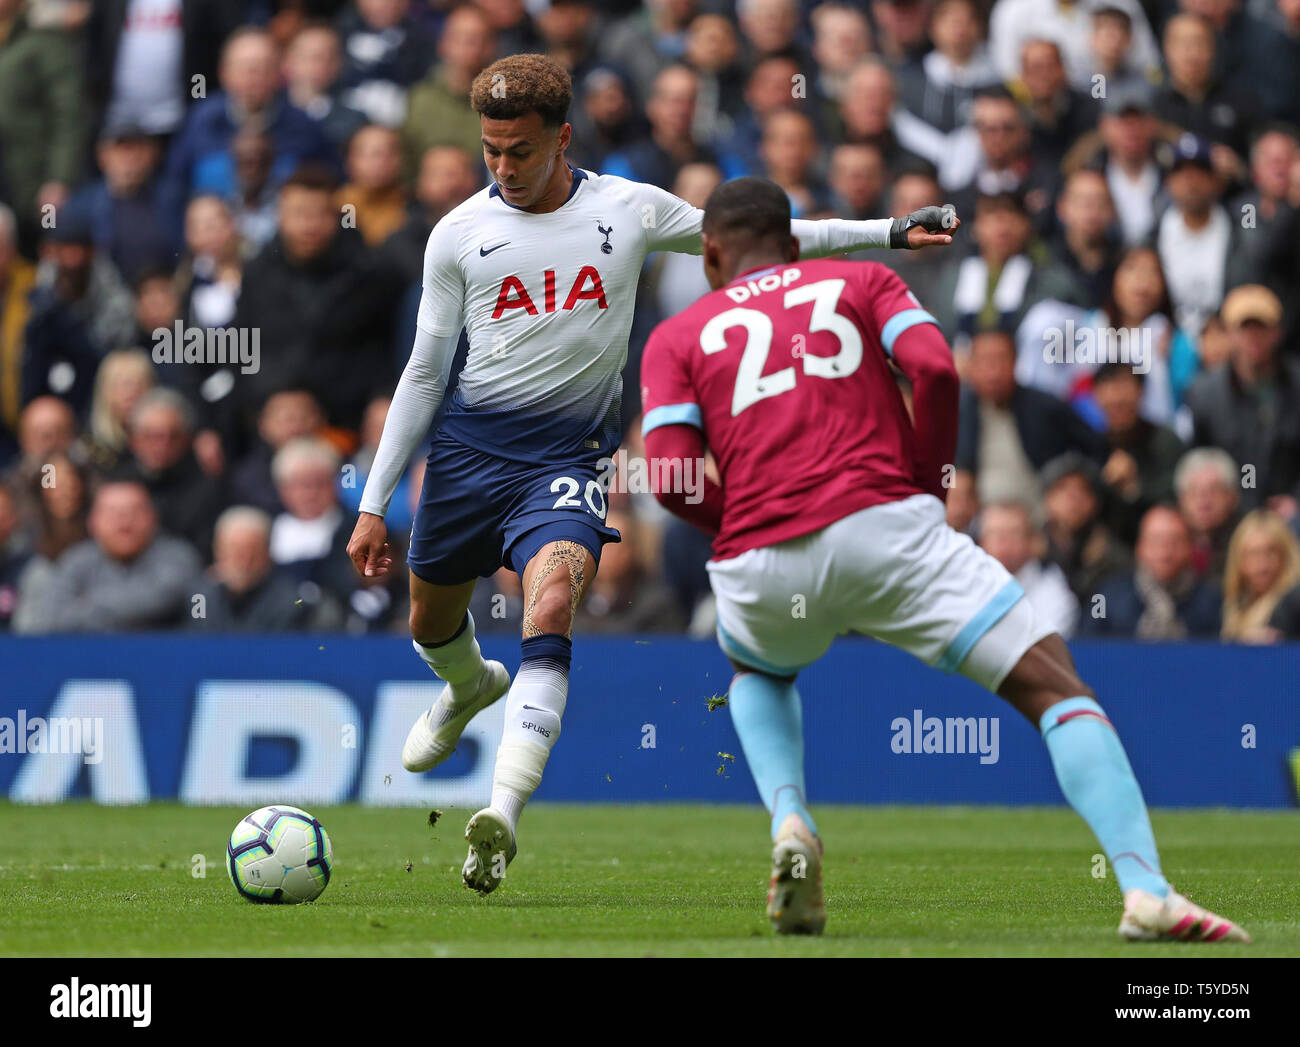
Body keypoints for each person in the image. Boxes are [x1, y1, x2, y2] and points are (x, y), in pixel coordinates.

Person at [344, 53, 959, 897]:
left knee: (552, 598)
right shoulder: (456, 235)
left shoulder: (627, 210)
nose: (503, 167)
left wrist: (887, 232)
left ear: (562, 137)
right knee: (431, 620)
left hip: (564, 460)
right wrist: (376, 501)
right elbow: (422, 373)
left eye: (519, 150)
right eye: (490, 150)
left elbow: (762, 241)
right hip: (466, 457)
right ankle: (467, 685)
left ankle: (502, 812)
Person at [639, 175, 1245, 941]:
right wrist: (926, 483)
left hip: (761, 559)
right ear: (794, 245)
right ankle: (1144, 888)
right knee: (1053, 684)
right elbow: (934, 368)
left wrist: (738, 521)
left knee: (759, 669)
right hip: (888, 528)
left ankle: (792, 821)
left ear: (710, 256)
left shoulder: (677, 334)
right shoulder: (862, 278)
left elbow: (666, 474)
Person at [1219, 509, 1300, 643]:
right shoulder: (1229, 607)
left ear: (1286, 556)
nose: (1262, 565)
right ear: (1239, 560)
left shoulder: (1293, 608)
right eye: (1253, 554)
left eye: (1271, 552)